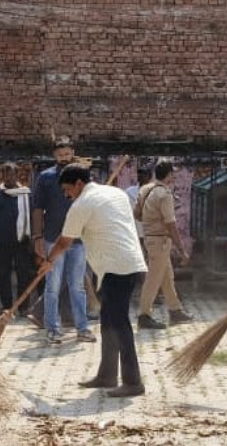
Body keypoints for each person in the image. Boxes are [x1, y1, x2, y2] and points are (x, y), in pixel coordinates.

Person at [41, 164, 147, 397]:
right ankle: (107, 375)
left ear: (79, 184)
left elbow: (64, 242)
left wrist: (49, 261)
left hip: (118, 266)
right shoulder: (115, 193)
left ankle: (133, 381)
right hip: (127, 263)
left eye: (68, 189)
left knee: (119, 324)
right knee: (108, 320)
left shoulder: (81, 205)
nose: (67, 195)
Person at [32, 137, 93, 344]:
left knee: (77, 286)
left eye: (67, 154)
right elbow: (38, 209)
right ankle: (52, 329)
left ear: (72, 152)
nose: (63, 158)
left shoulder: (83, 177)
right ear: (54, 156)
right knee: (53, 286)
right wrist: (37, 237)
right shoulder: (45, 177)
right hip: (52, 238)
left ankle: (82, 328)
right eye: (59, 155)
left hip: (78, 240)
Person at [135, 159, 192, 329]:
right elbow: (171, 224)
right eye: (172, 173)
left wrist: (150, 222)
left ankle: (175, 310)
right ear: (168, 175)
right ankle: (144, 315)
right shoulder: (164, 195)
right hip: (160, 240)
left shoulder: (145, 189)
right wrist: (182, 249)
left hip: (151, 238)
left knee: (167, 277)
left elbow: (136, 214)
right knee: (153, 279)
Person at [0, 163, 35, 315]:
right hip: (2, 242)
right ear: (2, 176)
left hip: (22, 241)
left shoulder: (25, 194)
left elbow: (32, 217)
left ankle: (23, 307)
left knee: (23, 274)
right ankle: (7, 306)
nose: (9, 177)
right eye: (6, 174)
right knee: (3, 274)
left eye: (12, 174)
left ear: (17, 175)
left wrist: (34, 238)